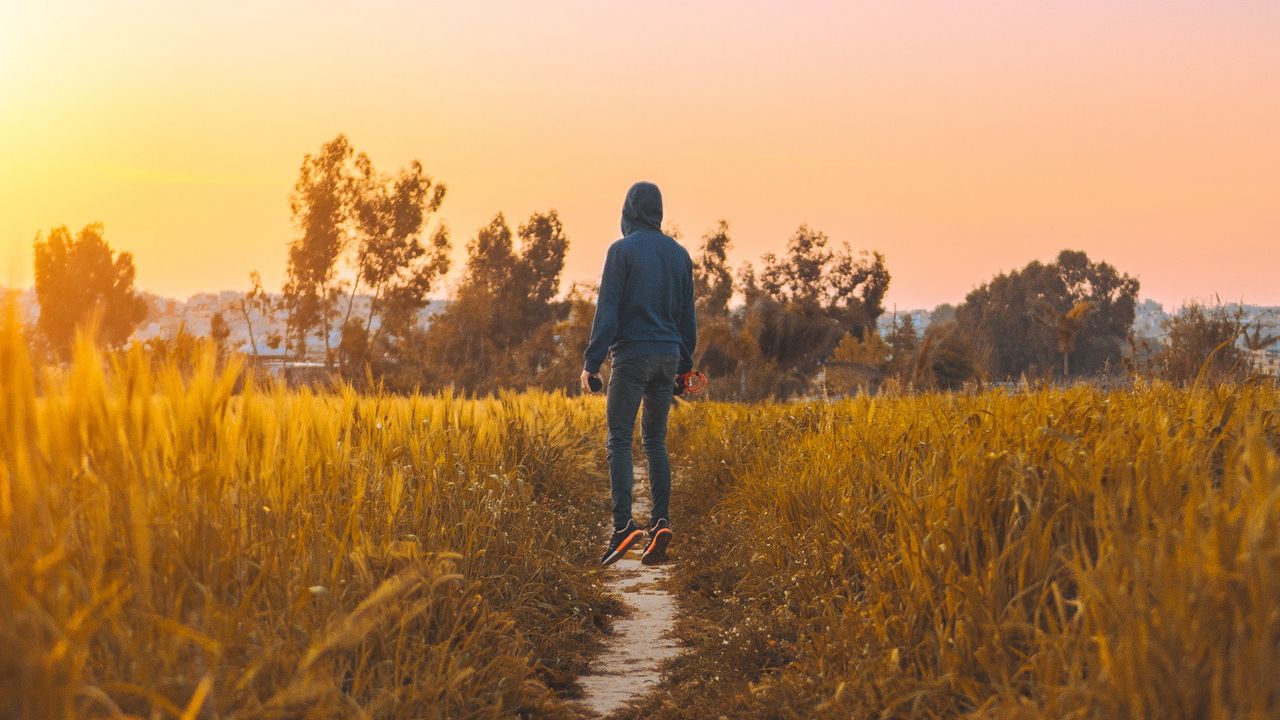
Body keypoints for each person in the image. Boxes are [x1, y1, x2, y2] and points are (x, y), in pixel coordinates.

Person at [581, 181, 696, 567]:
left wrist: (592, 362)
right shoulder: (680, 256)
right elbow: (687, 319)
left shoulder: (622, 252)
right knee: (655, 440)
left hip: (631, 358)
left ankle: (623, 527)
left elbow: (608, 311)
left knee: (618, 439)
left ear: (628, 210)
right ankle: (661, 522)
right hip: (667, 357)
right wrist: (686, 365)